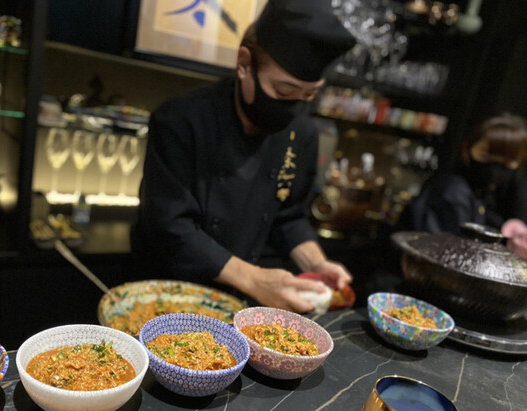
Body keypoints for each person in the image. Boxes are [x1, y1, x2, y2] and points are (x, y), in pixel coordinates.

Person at [131, 0, 355, 313]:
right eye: (283, 92)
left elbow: (288, 216)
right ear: (244, 64)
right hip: (162, 294)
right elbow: (170, 228)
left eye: (308, 95)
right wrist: (254, 280)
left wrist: (318, 264)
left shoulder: (301, 133)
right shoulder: (180, 120)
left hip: (236, 302)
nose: (294, 108)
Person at [401, 113, 527, 234]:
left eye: (507, 160)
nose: (495, 167)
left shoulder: (481, 193)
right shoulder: (453, 191)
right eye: (486, 154)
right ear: (466, 149)